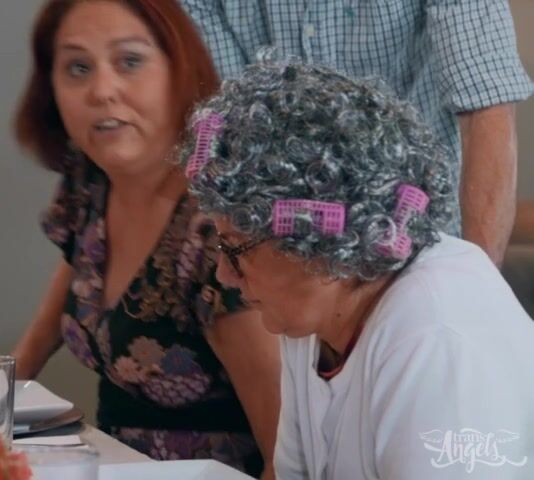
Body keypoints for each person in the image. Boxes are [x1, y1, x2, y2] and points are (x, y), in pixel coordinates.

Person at [178, 55, 534, 479]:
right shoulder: (311, 317)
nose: (224, 274)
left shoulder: (436, 340)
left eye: (236, 248)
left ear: (317, 240)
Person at [12, 0, 280, 476]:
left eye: (130, 61)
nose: (102, 90)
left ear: (181, 69)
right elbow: (81, 269)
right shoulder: (90, 181)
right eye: (77, 68)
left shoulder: (218, 229)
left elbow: (287, 452)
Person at [179, 0, 533, 265]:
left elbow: (487, 109)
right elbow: (235, 127)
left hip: (424, 247)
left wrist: (477, 287)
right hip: (286, 258)